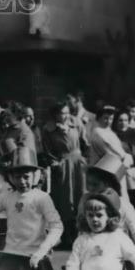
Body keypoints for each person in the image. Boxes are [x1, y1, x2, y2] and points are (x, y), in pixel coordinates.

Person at [40, 101, 87, 248]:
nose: (64, 116)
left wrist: (85, 160)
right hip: (62, 166)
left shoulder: (76, 123)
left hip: (78, 165)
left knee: (80, 197)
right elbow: (47, 151)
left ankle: (80, 236)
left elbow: (85, 143)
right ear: (54, 114)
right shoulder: (48, 129)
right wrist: (55, 163)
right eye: (61, 113)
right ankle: (67, 236)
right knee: (64, 201)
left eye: (66, 112)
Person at [87, 105, 133, 194]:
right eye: (105, 118)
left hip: (114, 169)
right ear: (99, 118)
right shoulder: (98, 133)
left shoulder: (109, 131)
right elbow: (114, 154)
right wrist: (127, 157)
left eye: (111, 119)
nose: (108, 121)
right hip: (105, 171)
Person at [113, 110, 135, 214]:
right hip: (117, 170)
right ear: (116, 121)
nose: (123, 123)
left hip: (134, 169)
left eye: (126, 120)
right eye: (120, 120)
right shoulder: (112, 134)